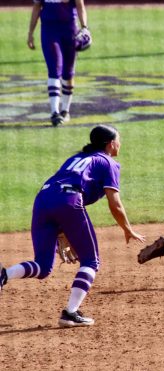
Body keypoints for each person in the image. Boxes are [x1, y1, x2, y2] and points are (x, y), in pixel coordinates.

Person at [0, 125, 145, 327]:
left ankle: (4, 275)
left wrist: (62, 232)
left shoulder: (75, 158)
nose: (120, 144)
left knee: (43, 267)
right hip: (67, 200)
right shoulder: (107, 162)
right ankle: (70, 313)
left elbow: (59, 192)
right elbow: (115, 203)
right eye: (118, 140)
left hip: (43, 200)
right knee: (91, 262)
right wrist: (127, 229)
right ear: (111, 144)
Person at [27, 0, 90, 127]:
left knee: (68, 73)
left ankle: (65, 111)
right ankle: (54, 113)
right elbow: (36, 7)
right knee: (54, 68)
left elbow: (80, 5)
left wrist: (84, 27)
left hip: (69, 29)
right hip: (49, 30)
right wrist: (30, 33)